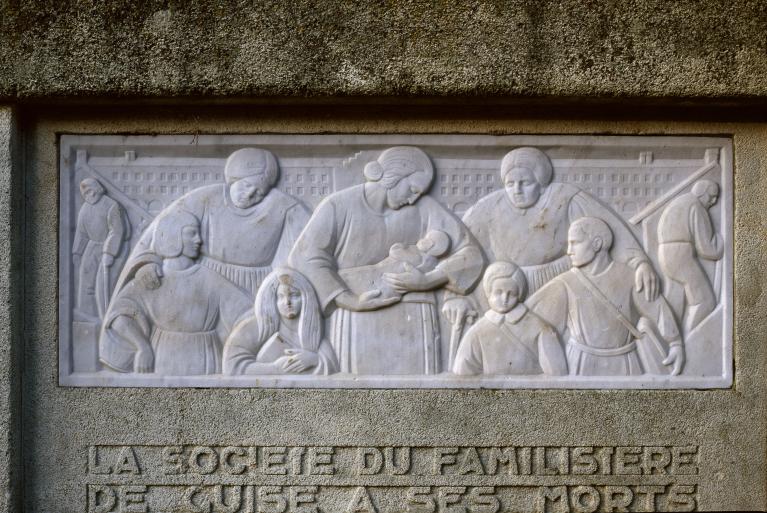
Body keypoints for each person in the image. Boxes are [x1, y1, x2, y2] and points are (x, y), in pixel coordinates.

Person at [289, 146, 484, 375]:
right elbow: (305, 257)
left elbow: (470, 254)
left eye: (419, 193)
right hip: (356, 316)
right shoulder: (338, 206)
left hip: (416, 318)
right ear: (392, 177)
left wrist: (428, 280)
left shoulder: (425, 208)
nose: (414, 198)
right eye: (412, 189)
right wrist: (351, 300)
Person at [444, 147, 659, 328]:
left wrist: (639, 262)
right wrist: (454, 296)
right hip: (502, 289)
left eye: (525, 183)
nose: (517, 190)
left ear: (541, 182)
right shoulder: (487, 209)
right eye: (510, 184)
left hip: (560, 283)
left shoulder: (565, 198)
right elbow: (464, 252)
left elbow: (606, 231)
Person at [112, 148, 310, 300]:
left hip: (257, 289)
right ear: (233, 179)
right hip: (202, 283)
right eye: (246, 185)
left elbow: (307, 249)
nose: (250, 194)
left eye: (260, 192)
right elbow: (160, 235)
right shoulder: (204, 199)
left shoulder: (286, 208)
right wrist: (148, 263)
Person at [99, 208, 252, 375]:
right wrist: (142, 347)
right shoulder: (151, 279)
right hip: (162, 359)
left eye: (198, 234)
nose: (199, 240)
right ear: (173, 235)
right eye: (191, 233)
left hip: (206, 358)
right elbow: (119, 314)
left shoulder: (210, 279)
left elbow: (245, 315)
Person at [527, 217, 684, 376]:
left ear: (597, 244)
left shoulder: (629, 277)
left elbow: (657, 309)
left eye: (575, 243)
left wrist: (675, 343)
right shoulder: (565, 283)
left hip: (626, 364)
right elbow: (534, 324)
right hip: (580, 364)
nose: (569, 251)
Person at [453, 262, 567, 376]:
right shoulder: (477, 331)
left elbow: (557, 372)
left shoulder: (540, 329)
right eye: (498, 292)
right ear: (488, 292)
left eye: (511, 293)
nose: (504, 299)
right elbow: (463, 372)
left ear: (519, 294)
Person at [222, 268, 339, 375]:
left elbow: (332, 365)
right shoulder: (256, 326)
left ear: (305, 298)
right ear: (273, 299)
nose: (287, 302)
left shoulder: (310, 331)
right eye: (281, 296)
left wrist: (313, 359)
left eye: (294, 295)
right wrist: (274, 368)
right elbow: (231, 366)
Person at [657, 179, 723, 334]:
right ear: (701, 192)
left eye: (716, 198)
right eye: (711, 196)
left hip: (666, 256)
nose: (714, 201)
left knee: (676, 301)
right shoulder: (696, 206)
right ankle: (691, 339)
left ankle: (673, 340)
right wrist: (719, 245)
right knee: (705, 301)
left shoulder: (682, 201)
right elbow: (706, 248)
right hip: (680, 255)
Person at [72, 178, 128, 320]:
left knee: (103, 287)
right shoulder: (85, 209)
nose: (89, 195)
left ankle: (107, 319)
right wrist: (77, 252)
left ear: (97, 189)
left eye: (90, 191)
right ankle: (88, 317)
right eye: (85, 193)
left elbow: (117, 230)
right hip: (92, 247)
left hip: (110, 248)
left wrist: (109, 252)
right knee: (85, 283)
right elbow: (81, 232)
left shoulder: (111, 205)